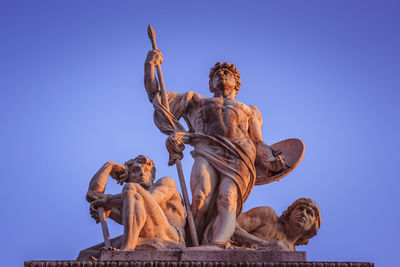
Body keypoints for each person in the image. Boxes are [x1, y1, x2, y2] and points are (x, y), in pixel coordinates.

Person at [144, 50, 285, 245]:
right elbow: (157, 98)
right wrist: (150, 66)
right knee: (200, 198)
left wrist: (272, 161)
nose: (221, 74)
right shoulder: (196, 101)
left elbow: (259, 143)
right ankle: (193, 243)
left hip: (240, 155)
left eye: (226, 73)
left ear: (237, 82)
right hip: (206, 150)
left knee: (227, 198)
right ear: (211, 84)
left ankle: (218, 245)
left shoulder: (249, 110)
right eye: (216, 74)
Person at [86, 155, 186, 250]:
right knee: (89, 253)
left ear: (152, 176)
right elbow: (93, 195)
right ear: (127, 176)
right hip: (142, 235)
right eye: (135, 171)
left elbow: (150, 199)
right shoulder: (127, 200)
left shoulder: (166, 182)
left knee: (131, 189)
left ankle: (126, 251)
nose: (142, 173)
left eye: (147, 170)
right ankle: (128, 247)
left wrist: (107, 202)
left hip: (171, 236)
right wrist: (109, 166)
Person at [234, 198, 321, 251]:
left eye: (309, 213)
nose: (303, 213)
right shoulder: (267, 216)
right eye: (300, 209)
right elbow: (230, 225)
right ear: (289, 214)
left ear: (313, 227)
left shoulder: (293, 256)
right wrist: (264, 244)